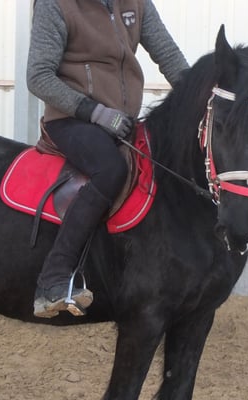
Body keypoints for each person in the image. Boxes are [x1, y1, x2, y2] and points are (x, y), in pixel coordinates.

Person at [27, 0, 189, 318]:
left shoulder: (137, 4)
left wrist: (199, 96)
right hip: (72, 119)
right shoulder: (55, 4)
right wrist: (94, 112)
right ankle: (52, 278)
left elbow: (168, 56)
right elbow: (38, 76)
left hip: (121, 121)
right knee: (110, 168)